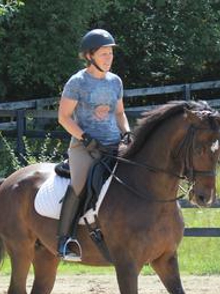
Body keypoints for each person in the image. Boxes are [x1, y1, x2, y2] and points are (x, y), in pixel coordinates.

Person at [57, 28, 131, 260]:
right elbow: (64, 117)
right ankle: (64, 240)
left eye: (110, 54)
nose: (109, 59)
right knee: (79, 184)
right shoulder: (77, 82)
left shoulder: (115, 82)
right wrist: (85, 138)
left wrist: (127, 132)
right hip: (84, 147)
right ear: (90, 56)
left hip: (113, 144)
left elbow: (119, 113)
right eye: (103, 54)